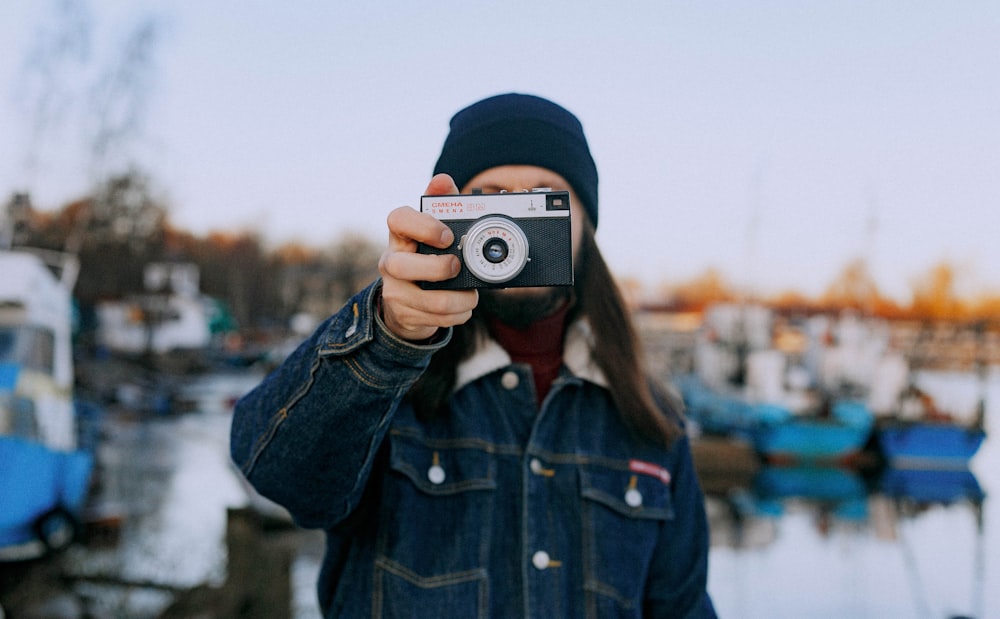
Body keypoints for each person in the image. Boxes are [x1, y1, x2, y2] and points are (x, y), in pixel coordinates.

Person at [230, 93, 717, 618]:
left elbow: (682, 607)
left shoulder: (652, 422)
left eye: (543, 199)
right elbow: (278, 476)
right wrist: (389, 337)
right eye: (492, 199)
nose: (514, 227)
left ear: (586, 225)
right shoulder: (384, 390)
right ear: (451, 221)